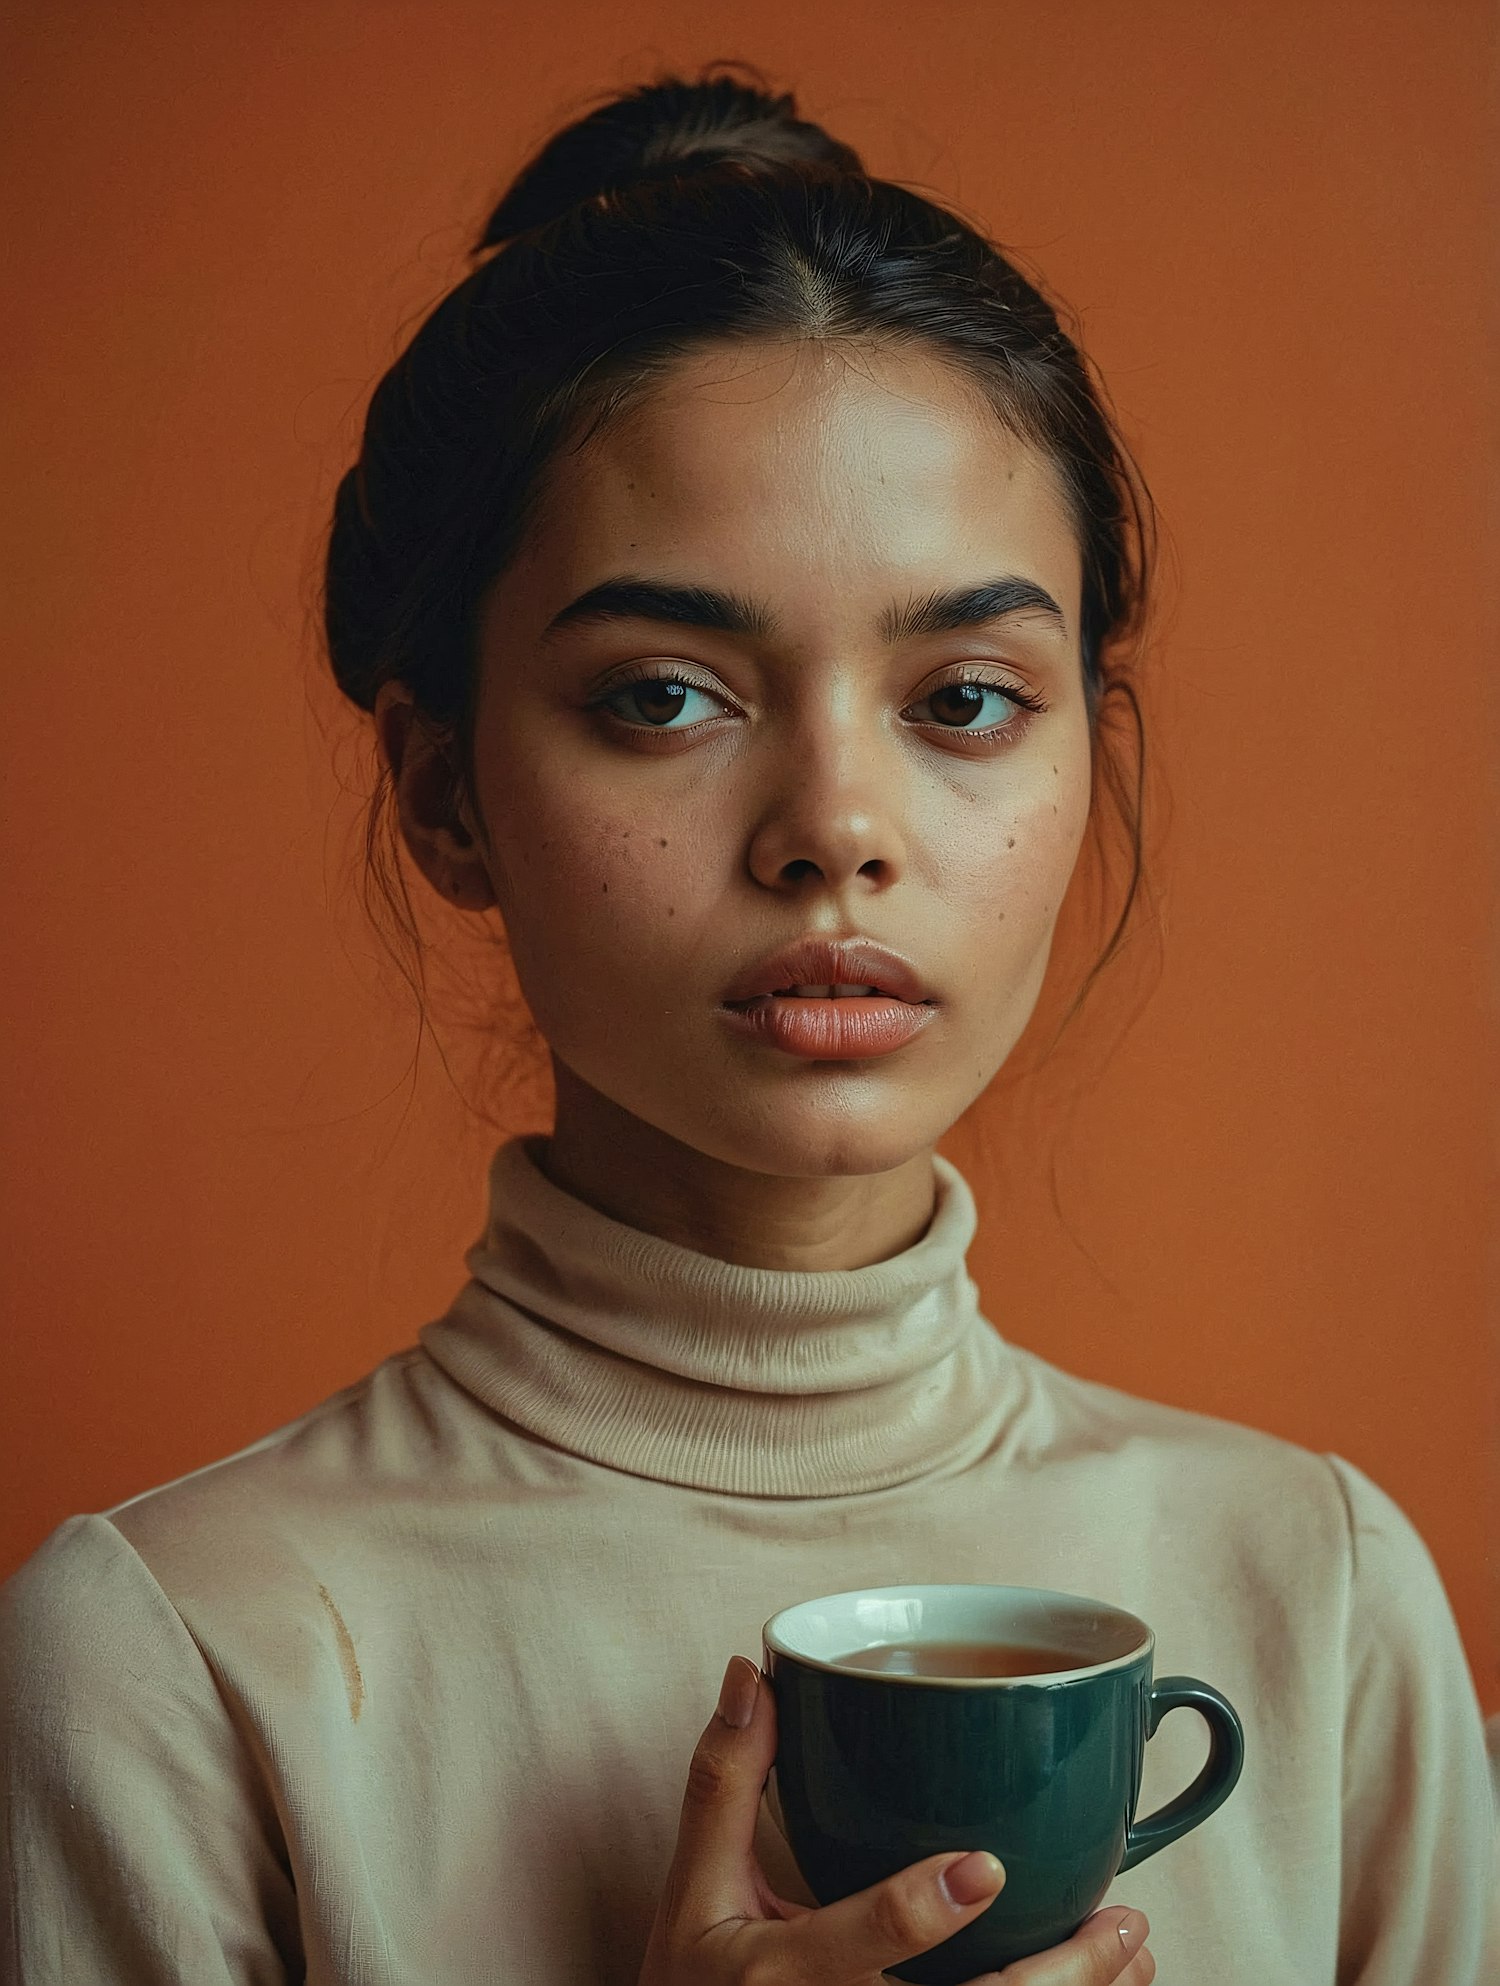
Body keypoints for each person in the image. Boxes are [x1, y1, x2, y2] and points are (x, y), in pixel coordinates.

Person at [1, 61, 1494, 1986]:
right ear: (446, 790)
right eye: (666, 695)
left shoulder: (1325, 1601)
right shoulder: (176, 1664)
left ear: (1088, 758)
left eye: (962, 700)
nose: (837, 833)